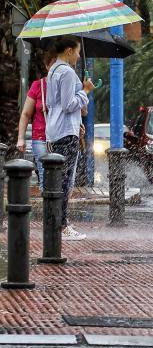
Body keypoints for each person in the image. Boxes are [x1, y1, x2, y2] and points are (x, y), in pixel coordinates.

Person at [46, 36, 94, 241]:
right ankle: (62, 225)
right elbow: (67, 104)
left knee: (60, 180)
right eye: (77, 51)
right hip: (65, 132)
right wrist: (85, 91)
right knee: (66, 181)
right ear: (67, 51)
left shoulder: (53, 70)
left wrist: (78, 122)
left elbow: (55, 104)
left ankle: (58, 223)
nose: (78, 55)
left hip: (58, 129)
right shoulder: (66, 72)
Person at [16, 50, 57, 189]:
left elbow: (81, 111)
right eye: (53, 64)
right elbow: (26, 114)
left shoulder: (67, 84)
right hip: (41, 138)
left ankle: (58, 208)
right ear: (47, 66)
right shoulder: (38, 86)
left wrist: (84, 91)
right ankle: (48, 207)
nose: (56, 67)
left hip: (61, 136)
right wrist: (20, 138)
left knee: (61, 177)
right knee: (45, 174)